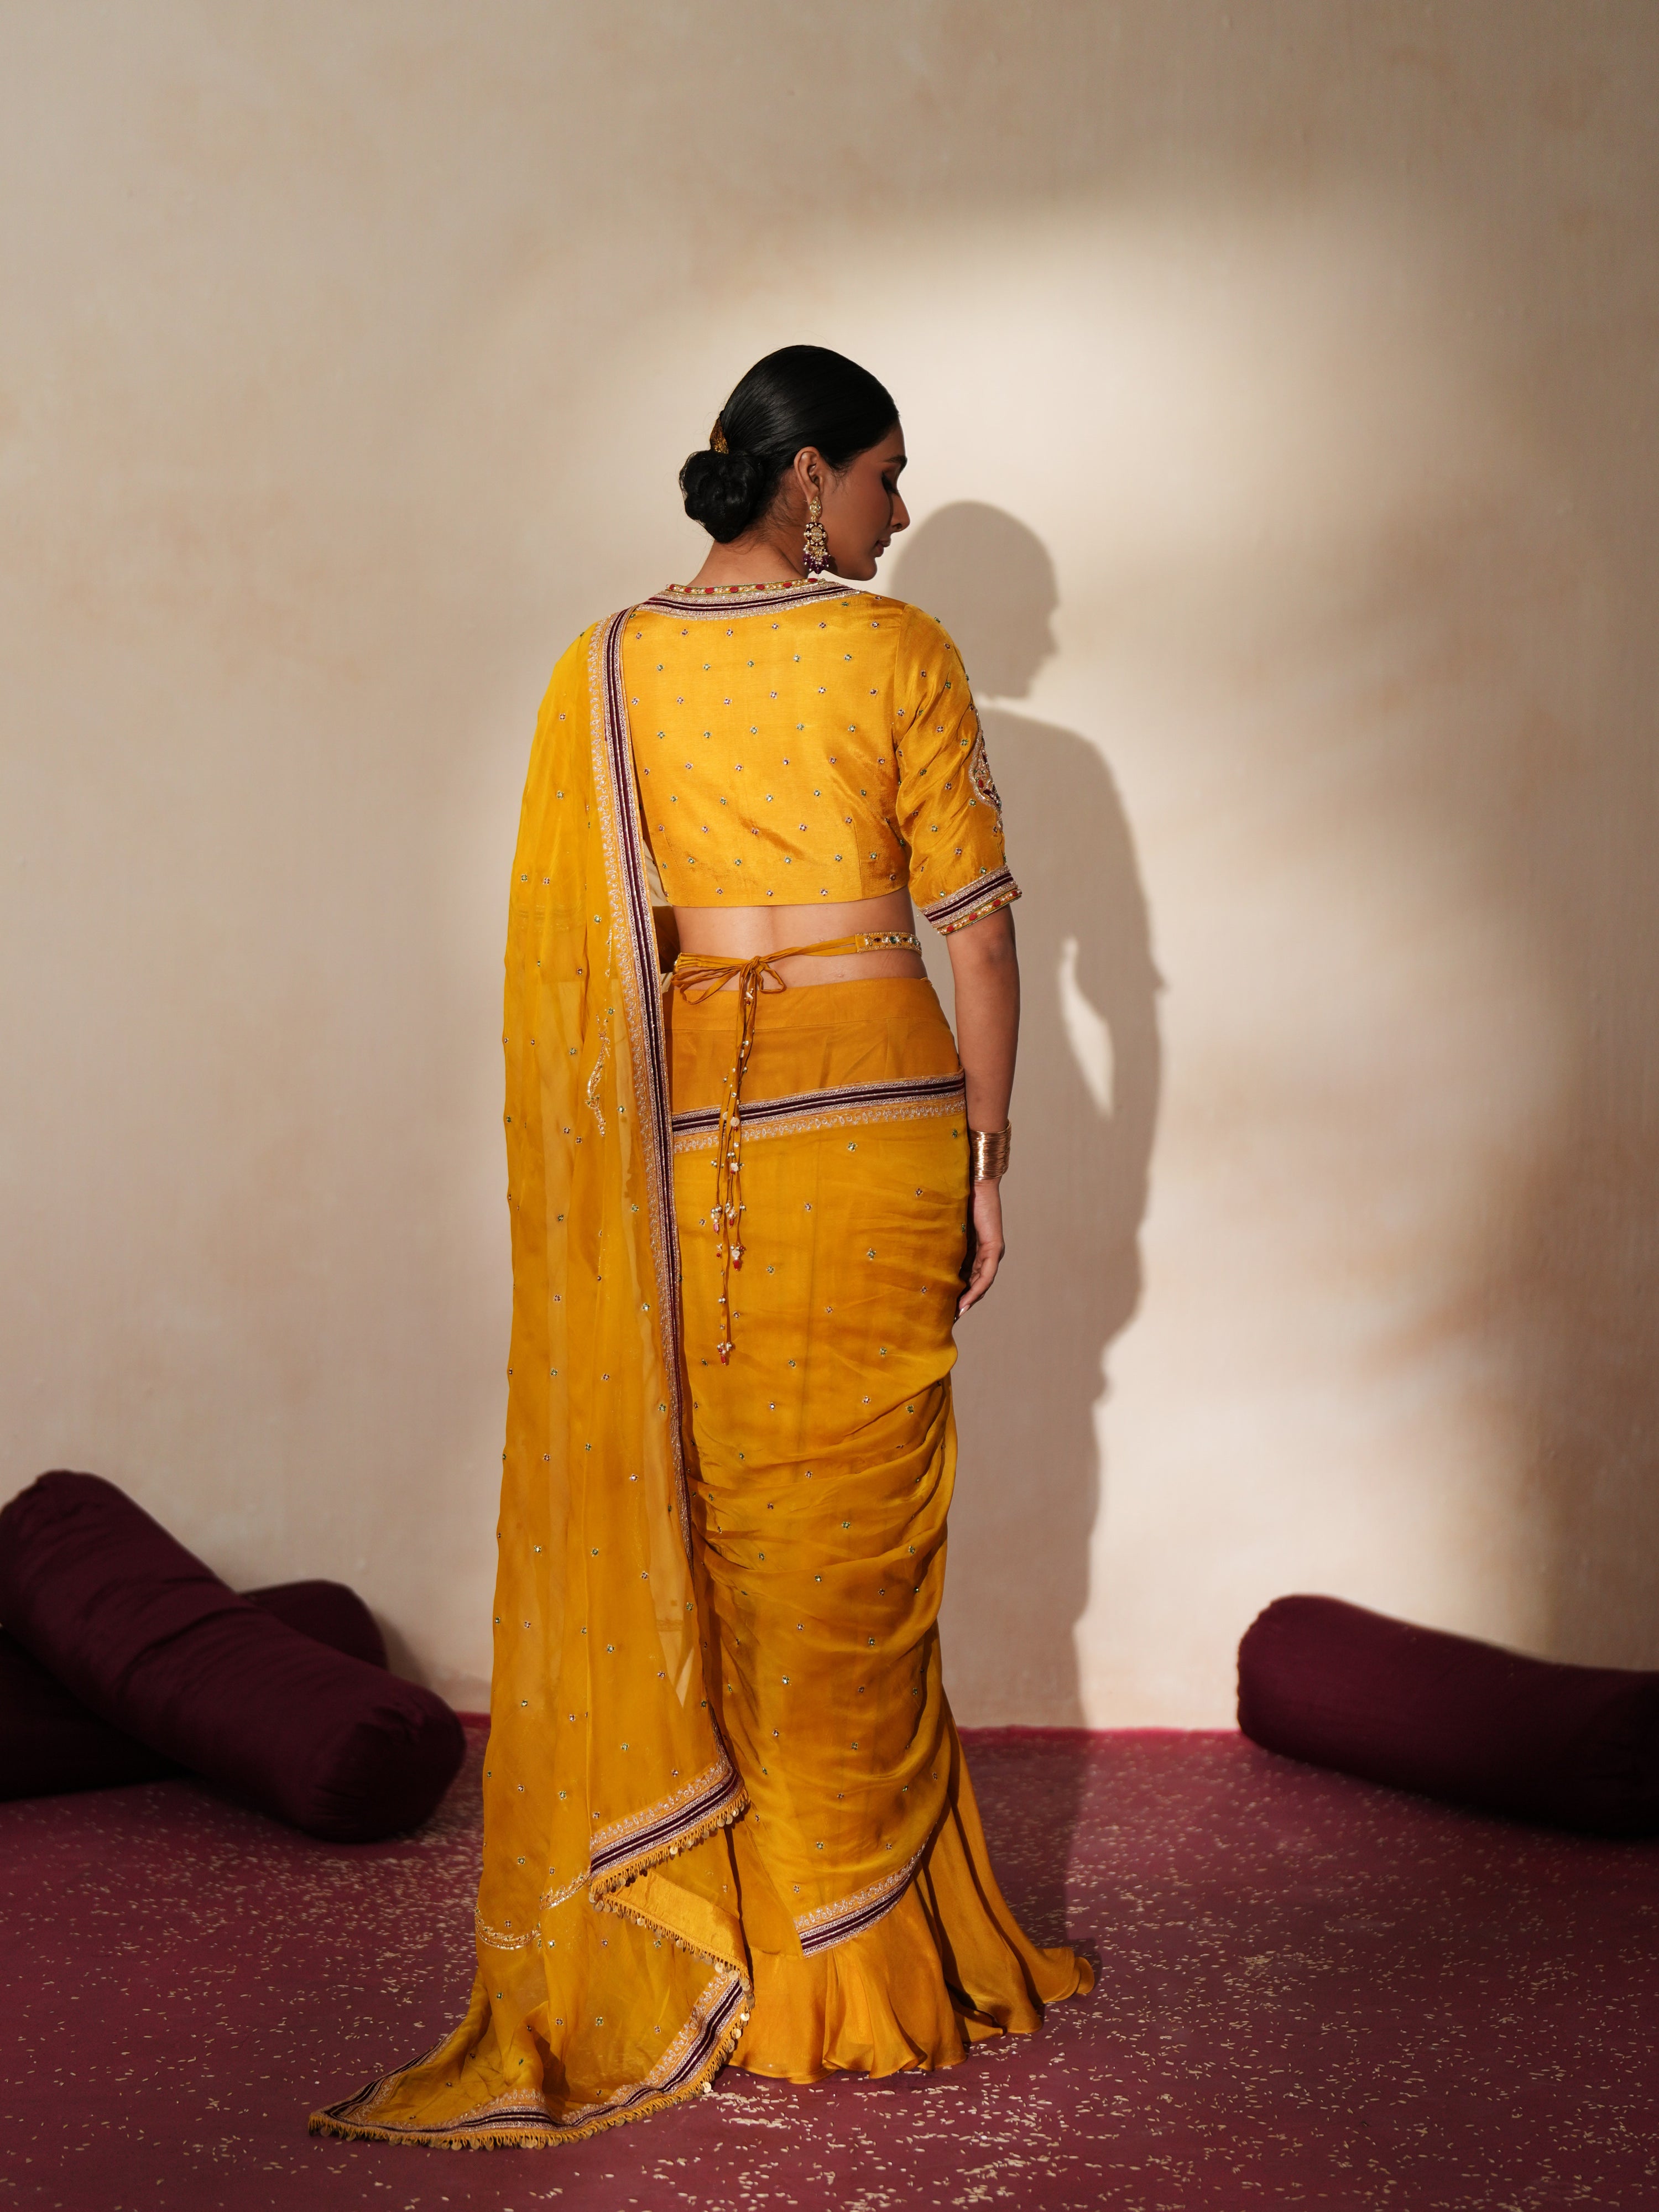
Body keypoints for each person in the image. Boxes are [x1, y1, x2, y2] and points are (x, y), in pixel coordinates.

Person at [311, 346, 1091, 2152]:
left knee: (734, 1528)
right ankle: (861, 1950)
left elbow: (601, 956)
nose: (897, 519)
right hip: (881, 1123)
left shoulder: (609, 668)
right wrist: (992, 1153)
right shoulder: (897, 659)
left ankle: (735, 1942)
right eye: (887, 479)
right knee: (856, 1540)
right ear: (805, 476)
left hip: (692, 1155)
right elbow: (974, 935)